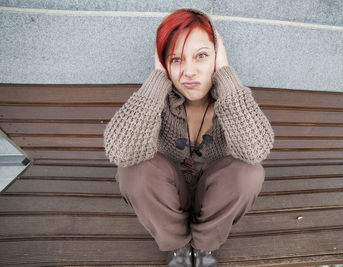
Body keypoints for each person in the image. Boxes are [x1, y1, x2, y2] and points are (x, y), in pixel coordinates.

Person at [103, 8, 274, 267]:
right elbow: (120, 152)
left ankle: (205, 248)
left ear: (216, 58)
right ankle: (179, 248)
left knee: (250, 172)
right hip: (170, 195)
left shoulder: (229, 101)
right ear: (165, 64)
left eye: (201, 56)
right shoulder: (158, 101)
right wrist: (158, 80)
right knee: (131, 171)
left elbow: (255, 150)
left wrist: (225, 73)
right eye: (176, 60)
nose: (190, 71)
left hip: (214, 195)